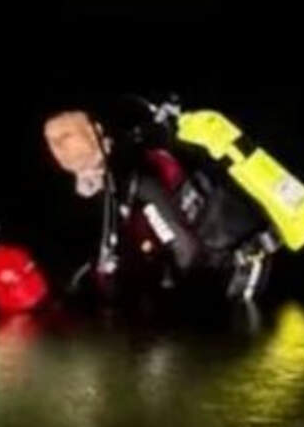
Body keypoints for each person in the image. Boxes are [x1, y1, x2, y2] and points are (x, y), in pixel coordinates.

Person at [43, 106, 275, 301]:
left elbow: (187, 252)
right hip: (216, 260)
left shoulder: (138, 181)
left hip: (240, 262)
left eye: (88, 171)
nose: (86, 183)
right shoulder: (123, 177)